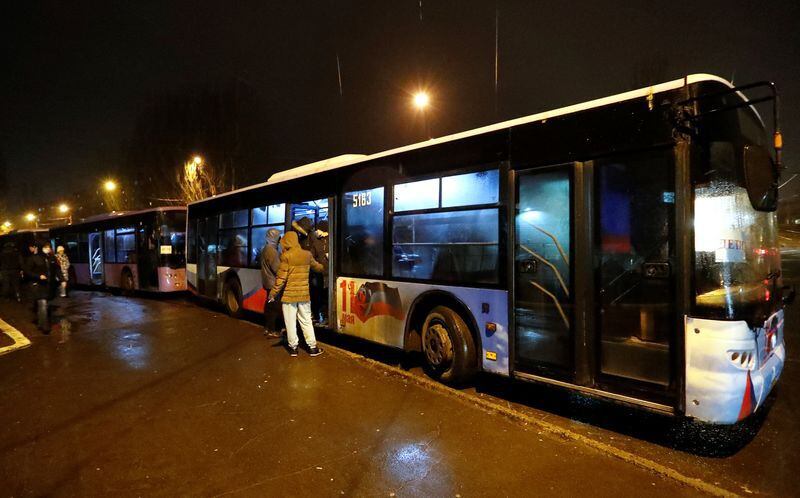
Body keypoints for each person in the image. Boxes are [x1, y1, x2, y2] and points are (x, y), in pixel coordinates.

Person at [268, 231, 324, 357]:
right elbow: (318, 267)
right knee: (306, 321)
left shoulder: (286, 256)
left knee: (290, 321)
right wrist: (324, 264)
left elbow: (281, 278)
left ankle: (293, 348)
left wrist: (273, 293)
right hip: (304, 295)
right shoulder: (307, 254)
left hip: (289, 296)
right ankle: (312, 347)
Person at [22, 244, 61, 333]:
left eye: (49, 247)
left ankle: (40, 323)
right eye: (45, 247)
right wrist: (38, 276)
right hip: (38, 285)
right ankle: (45, 327)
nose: (48, 249)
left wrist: (62, 280)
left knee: (43, 304)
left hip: (48, 285)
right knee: (42, 303)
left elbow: (57, 269)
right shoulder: (33, 258)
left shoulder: (51, 258)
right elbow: (27, 271)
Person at [260, 228, 283, 337]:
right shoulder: (272, 251)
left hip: (267, 282)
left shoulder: (266, 249)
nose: (280, 240)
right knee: (274, 308)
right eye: (278, 237)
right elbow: (277, 268)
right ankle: (272, 330)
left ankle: (267, 328)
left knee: (270, 307)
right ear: (274, 238)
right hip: (273, 283)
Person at [310, 219, 330, 324]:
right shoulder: (316, 240)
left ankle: (326, 316)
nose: (317, 231)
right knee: (318, 295)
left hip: (329, 274)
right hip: (319, 274)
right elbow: (311, 256)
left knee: (326, 296)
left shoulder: (331, 240)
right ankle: (318, 316)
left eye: (319, 229)